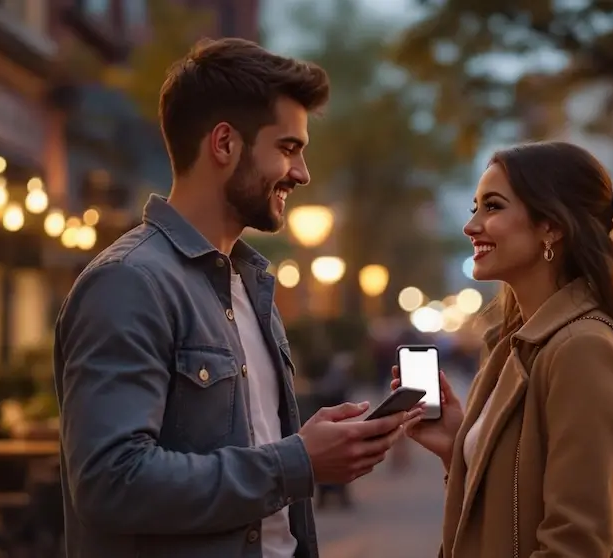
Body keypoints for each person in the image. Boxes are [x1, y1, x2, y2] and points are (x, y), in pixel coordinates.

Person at [54, 38, 418, 558]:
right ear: (224, 144)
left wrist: (311, 450)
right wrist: (298, 462)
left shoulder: (249, 283)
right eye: (288, 148)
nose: (302, 173)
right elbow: (112, 482)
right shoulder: (129, 282)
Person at [393, 141, 613, 558]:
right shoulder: (514, 347)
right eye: (475, 208)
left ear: (551, 226)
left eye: (494, 207)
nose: (472, 227)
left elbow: (575, 544)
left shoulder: (584, 349)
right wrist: (459, 447)